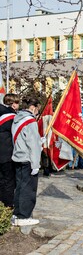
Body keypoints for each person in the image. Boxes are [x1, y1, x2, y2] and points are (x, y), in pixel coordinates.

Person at [11, 97, 41, 226]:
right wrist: (36, 164)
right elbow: (33, 145)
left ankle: (17, 213)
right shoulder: (30, 121)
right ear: (33, 108)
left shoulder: (17, 119)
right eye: (37, 111)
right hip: (28, 158)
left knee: (19, 187)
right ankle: (23, 216)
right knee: (28, 188)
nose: (37, 114)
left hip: (18, 156)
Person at [0, 93, 20, 208]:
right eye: (17, 102)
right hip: (7, 154)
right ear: (13, 104)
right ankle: (7, 206)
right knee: (9, 181)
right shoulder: (11, 116)